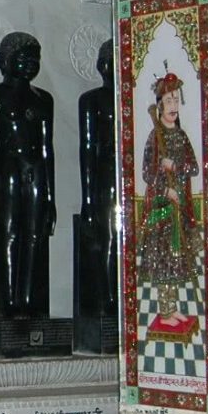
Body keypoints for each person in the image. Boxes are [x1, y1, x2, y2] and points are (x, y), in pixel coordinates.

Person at [0, 31, 56, 318]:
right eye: (23, 58)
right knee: (8, 232)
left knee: (34, 235)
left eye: (35, 58)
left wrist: (50, 199)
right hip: (7, 168)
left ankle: (28, 300)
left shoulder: (43, 99)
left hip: (35, 171)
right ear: (4, 61)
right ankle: (8, 300)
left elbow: (47, 149)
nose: (30, 63)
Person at [137, 65, 200, 316]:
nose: (173, 105)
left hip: (180, 207)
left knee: (176, 260)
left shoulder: (181, 136)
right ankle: (165, 309)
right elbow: (146, 173)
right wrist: (165, 191)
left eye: (176, 100)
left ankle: (173, 308)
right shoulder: (155, 137)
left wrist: (174, 166)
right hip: (162, 207)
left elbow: (194, 168)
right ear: (160, 105)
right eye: (168, 100)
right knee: (163, 260)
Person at [78, 40, 117, 320]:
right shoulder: (92, 101)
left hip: (131, 175)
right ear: (103, 65)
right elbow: (88, 149)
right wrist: (88, 200)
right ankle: (108, 297)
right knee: (109, 237)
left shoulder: (142, 99)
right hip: (106, 174)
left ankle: (127, 295)